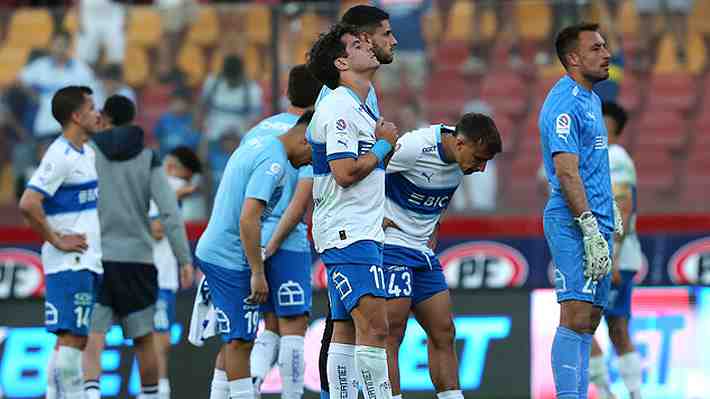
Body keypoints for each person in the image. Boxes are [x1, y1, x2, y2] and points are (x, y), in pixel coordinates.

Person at [194, 107, 313, 399]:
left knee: (239, 338)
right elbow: (249, 218)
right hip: (228, 257)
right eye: (314, 154)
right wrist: (258, 272)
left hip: (221, 251)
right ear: (306, 140)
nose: (310, 163)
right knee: (239, 341)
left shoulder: (259, 143)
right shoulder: (273, 162)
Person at [307, 22, 399, 399]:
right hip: (348, 233)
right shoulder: (340, 107)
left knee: (344, 326)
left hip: (357, 229)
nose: (368, 46)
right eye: (357, 44)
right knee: (376, 328)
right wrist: (382, 147)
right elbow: (344, 173)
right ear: (342, 62)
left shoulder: (358, 107)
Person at [82, 95, 194, 399]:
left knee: (94, 336)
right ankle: (150, 395)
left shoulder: (90, 153)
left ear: (105, 118)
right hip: (138, 260)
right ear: (134, 119)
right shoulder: (148, 157)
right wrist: (184, 258)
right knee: (144, 338)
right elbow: (169, 211)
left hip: (99, 258)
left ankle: (90, 394)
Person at [383, 114, 502, 399]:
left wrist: (434, 225)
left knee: (444, 330)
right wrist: (372, 216)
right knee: (392, 330)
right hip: (390, 246)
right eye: (479, 158)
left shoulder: (462, 162)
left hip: (422, 252)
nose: (482, 168)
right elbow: (366, 173)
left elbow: (437, 196)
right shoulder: (414, 147)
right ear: (460, 143)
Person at [538, 23, 623, 399]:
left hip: (599, 219)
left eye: (605, 46)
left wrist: (610, 210)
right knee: (574, 315)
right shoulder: (565, 103)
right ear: (573, 59)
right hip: (573, 221)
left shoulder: (591, 98)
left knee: (590, 319)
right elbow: (566, 171)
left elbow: (591, 164)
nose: (607, 54)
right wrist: (588, 225)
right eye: (597, 48)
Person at [240, 64, 322, 399]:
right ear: (321, 96)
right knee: (293, 328)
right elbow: (298, 204)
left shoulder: (257, 132)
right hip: (286, 243)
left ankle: (252, 387)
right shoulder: (313, 135)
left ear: (286, 92)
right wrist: (273, 245)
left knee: (266, 326)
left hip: (250, 238)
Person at [18, 85, 101, 399]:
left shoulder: (88, 152)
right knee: (70, 339)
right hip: (70, 262)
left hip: (88, 260)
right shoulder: (60, 155)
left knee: (75, 339)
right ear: (77, 116)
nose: (97, 113)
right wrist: (55, 239)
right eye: (92, 108)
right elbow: (29, 202)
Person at [588, 102, 643, 399]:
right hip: (595, 253)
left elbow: (623, 203)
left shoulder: (616, 155)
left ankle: (632, 393)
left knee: (615, 327)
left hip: (613, 255)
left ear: (612, 128)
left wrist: (615, 254)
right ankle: (606, 391)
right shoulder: (592, 155)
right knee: (588, 325)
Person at [149, 146, 202, 399]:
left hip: (164, 274)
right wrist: (176, 194)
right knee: (158, 338)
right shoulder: (165, 186)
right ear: (173, 167)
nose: (186, 183)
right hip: (153, 274)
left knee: (161, 338)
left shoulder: (169, 186)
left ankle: (156, 389)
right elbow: (156, 229)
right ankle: (158, 391)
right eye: (185, 177)